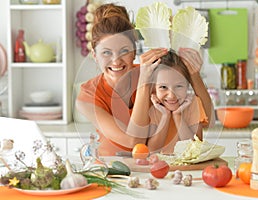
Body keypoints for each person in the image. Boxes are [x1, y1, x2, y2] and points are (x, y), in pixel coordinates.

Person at [76, 3, 214, 156]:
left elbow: (206, 118)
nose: (116, 61)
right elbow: (134, 142)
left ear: (134, 51)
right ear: (94, 56)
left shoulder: (153, 73)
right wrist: (143, 82)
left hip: (153, 167)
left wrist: (193, 73)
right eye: (106, 53)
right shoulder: (87, 96)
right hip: (111, 169)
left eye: (124, 51)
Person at [146, 50, 208, 153]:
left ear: (187, 85)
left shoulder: (194, 103)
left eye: (179, 86)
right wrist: (165, 116)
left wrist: (178, 116)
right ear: (154, 88)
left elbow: (195, 148)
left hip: (187, 167)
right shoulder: (150, 106)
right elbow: (152, 150)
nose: (171, 95)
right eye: (163, 87)